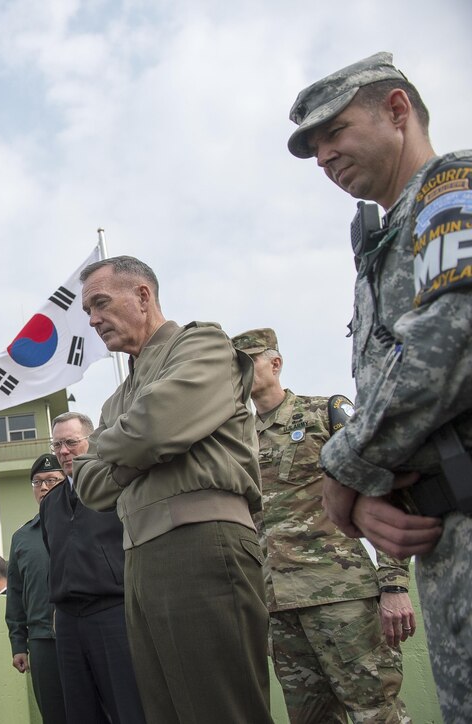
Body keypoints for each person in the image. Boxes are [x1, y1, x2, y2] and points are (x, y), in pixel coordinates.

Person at [287, 51, 472, 722]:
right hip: (443, 527)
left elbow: (448, 344)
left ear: (397, 110)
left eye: (334, 133)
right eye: (314, 148)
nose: (324, 157)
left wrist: (342, 470)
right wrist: (362, 505)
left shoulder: (453, 188)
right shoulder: (387, 235)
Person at [72, 256, 273, 724]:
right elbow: (89, 483)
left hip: (204, 542)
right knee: (165, 711)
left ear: (143, 296)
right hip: (141, 557)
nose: (94, 320)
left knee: (220, 708)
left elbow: (152, 429)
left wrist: (121, 448)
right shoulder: (117, 398)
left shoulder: (203, 344)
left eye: (101, 303)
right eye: (88, 312)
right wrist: (139, 454)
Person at [232, 327, 413, 724]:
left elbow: (383, 490)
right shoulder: (237, 442)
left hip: (340, 595)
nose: (239, 373)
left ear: (275, 363)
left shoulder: (323, 412)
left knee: (376, 712)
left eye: (246, 363)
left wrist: (394, 583)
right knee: (310, 718)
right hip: (279, 607)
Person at [40, 412, 145, 724]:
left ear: (91, 442)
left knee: (129, 706)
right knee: (80, 711)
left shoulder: (116, 487)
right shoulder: (50, 502)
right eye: (57, 444)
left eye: (71, 442)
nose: (63, 451)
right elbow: (53, 552)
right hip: (69, 622)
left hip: (113, 613)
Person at [4, 454, 68, 724]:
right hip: (42, 641)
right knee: (54, 714)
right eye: (37, 482)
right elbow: (16, 595)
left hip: (84, 632)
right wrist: (18, 644)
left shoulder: (84, 523)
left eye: (52, 480)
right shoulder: (23, 537)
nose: (43, 487)